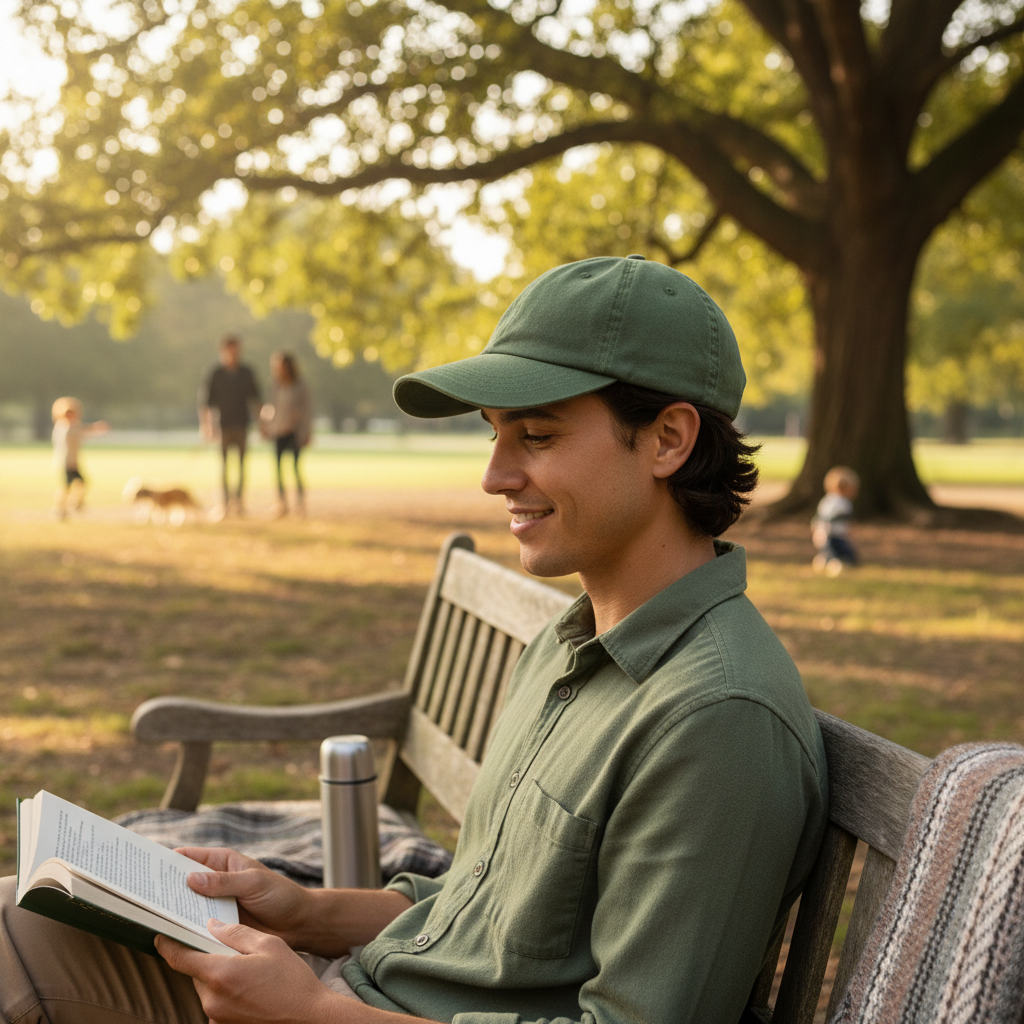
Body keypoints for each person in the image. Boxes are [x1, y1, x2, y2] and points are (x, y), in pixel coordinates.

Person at [0, 255, 828, 1024]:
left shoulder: (718, 719)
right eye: (494, 434)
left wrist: (315, 1014)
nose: (495, 475)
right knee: (12, 915)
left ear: (668, 439)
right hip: (348, 983)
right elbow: (483, 907)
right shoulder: (570, 646)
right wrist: (305, 911)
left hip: (339, 1010)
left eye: (535, 437)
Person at [199, 335, 261, 517]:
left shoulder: (246, 372)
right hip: (223, 426)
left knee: (242, 467)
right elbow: (207, 403)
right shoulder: (216, 373)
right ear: (223, 351)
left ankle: (239, 503)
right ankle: (225, 504)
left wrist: (262, 423)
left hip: (242, 425)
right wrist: (207, 426)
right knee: (224, 467)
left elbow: (256, 400)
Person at [260, 352, 313, 517]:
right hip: (278, 432)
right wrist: (265, 425)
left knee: (296, 469)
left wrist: (306, 432)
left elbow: (307, 411)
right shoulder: (275, 385)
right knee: (278, 470)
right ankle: (282, 504)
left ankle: (300, 504)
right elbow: (269, 408)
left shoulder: (299, 386)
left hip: (294, 432)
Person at [49, 396, 108, 521]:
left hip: (72, 461)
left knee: (79, 483)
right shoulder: (65, 427)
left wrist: (95, 429)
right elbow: (79, 432)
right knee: (67, 487)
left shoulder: (71, 425)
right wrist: (95, 428)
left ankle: (74, 504)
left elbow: (81, 431)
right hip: (67, 462)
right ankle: (60, 509)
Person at [811, 465, 860, 575]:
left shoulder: (826, 500)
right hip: (834, 534)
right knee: (844, 554)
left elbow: (819, 517)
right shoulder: (844, 504)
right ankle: (835, 564)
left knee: (828, 551)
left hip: (821, 533)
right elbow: (842, 520)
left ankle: (823, 561)